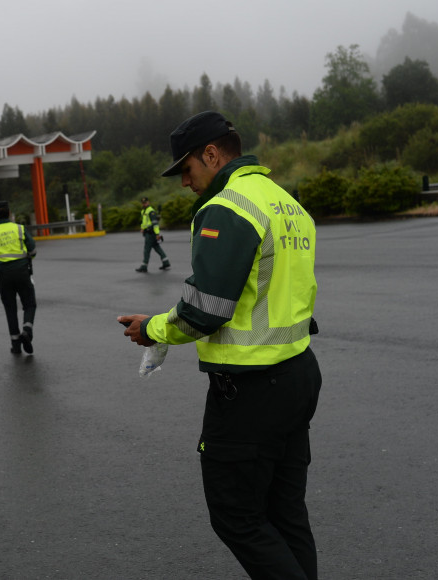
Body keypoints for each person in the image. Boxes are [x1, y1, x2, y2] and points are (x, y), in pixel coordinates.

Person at [118, 111, 322, 580]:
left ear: (212, 154)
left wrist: (152, 329)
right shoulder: (285, 201)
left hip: (252, 393)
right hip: (297, 374)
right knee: (286, 516)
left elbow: (204, 310)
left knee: (239, 518)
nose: (186, 183)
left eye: (187, 169)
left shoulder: (228, 207)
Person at [0, 200, 37, 354]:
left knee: (10, 308)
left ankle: (15, 345)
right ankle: (27, 330)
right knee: (29, 304)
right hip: (22, 271)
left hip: (3, 275)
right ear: (9, 213)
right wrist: (27, 259)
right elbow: (33, 250)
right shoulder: (19, 229)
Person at [135, 196, 170, 272]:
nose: (144, 204)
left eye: (146, 202)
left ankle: (144, 266)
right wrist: (142, 228)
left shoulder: (151, 211)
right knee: (157, 247)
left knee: (146, 250)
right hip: (148, 232)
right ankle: (166, 262)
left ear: (148, 202)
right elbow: (145, 222)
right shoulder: (144, 211)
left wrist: (157, 234)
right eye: (143, 203)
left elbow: (155, 224)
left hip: (151, 233)